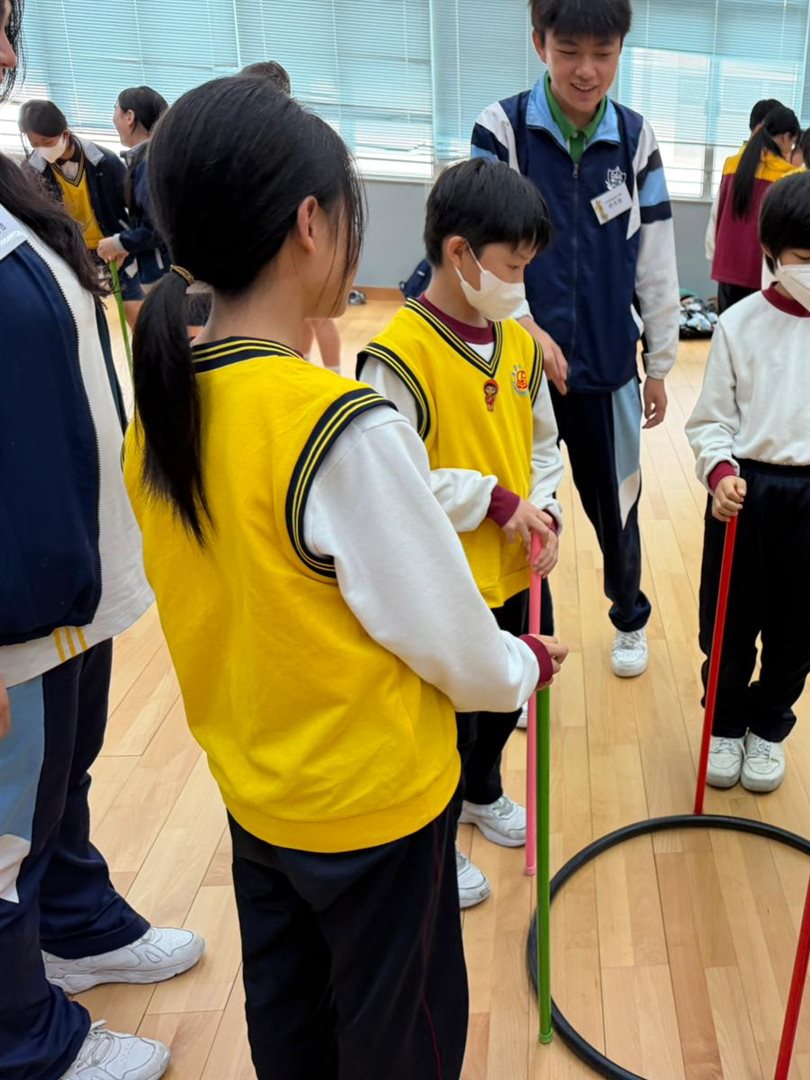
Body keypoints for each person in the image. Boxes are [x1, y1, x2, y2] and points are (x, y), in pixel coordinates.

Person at [122, 75, 566, 1078]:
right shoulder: (339, 429)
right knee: (400, 1039)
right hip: (374, 808)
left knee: (294, 1026)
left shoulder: (164, 409)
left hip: (258, 794)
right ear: (311, 225)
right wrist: (523, 665)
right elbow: (450, 638)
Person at [0, 3, 203, 1077]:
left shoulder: (12, 185)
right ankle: (23, 1038)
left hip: (69, 569)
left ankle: (73, 924)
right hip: (13, 602)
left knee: (60, 778)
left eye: (6, 23)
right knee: (3, 827)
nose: (4, 53)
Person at [356, 159, 563, 908]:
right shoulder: (397, 355)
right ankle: (437, 837)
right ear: (459, 253)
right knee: (448, 716)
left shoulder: (519, 345)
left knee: (506, 693)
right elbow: (393, 478)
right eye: (513, 265)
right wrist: (495, 501)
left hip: (514, 571)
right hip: (444, 581)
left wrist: (545, 505)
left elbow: (544, 443)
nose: (520, 282)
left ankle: (482, 792)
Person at [472, 0, 680, 679]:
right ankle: (529, 646)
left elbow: (655, 257)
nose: (586, 70)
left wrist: (659, 360)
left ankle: (630, 617)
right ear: (539, 43)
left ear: (621, 49)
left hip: (608, 364)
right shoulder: (502, 129)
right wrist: (524, 324)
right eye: (569, 52)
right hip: (516, 366)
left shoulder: (636, 138)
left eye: (603, 53)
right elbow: (476, 244)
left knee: (618, 507)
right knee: (525, 511)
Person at [688, 169, 810, 794]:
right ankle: (724, 722)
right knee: (727, 620)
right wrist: (719, 472)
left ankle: (769, 725)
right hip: (744, 493)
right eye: (804, 258)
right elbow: (711, 419)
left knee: (798, 630)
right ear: (772, 251)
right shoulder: (739, 323)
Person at [237, 58, 346, 374]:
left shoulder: (303, 135)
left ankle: (334, 374)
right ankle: (302, 364)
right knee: (302, 314)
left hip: (310, 233)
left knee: (317, 314)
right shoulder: (250, 138)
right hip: (280, 235)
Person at [18, 98, 139, 311]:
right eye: (35, 144)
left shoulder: (105, 162)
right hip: (73, 253)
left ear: (65, 134)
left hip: (112, 245)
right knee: (87, 312)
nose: (41, 150)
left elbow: (135, 206)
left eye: (46, 142)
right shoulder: (32, 171)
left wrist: (125, 243)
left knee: (132, 307)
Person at [709, 105, 799, 312]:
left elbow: (718, 215)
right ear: (786, 137)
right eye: (793, 143)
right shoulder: (787, 175)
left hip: (727, 265)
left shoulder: (731, 164)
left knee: (728, 326)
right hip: (759, 270)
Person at [98, 85, 169, 329]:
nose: (113, 118)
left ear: (129, 116)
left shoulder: (148, 163)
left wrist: (118, 243)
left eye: (115, 110)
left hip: (164, 274)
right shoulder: (159, 155)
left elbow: (156, 228)